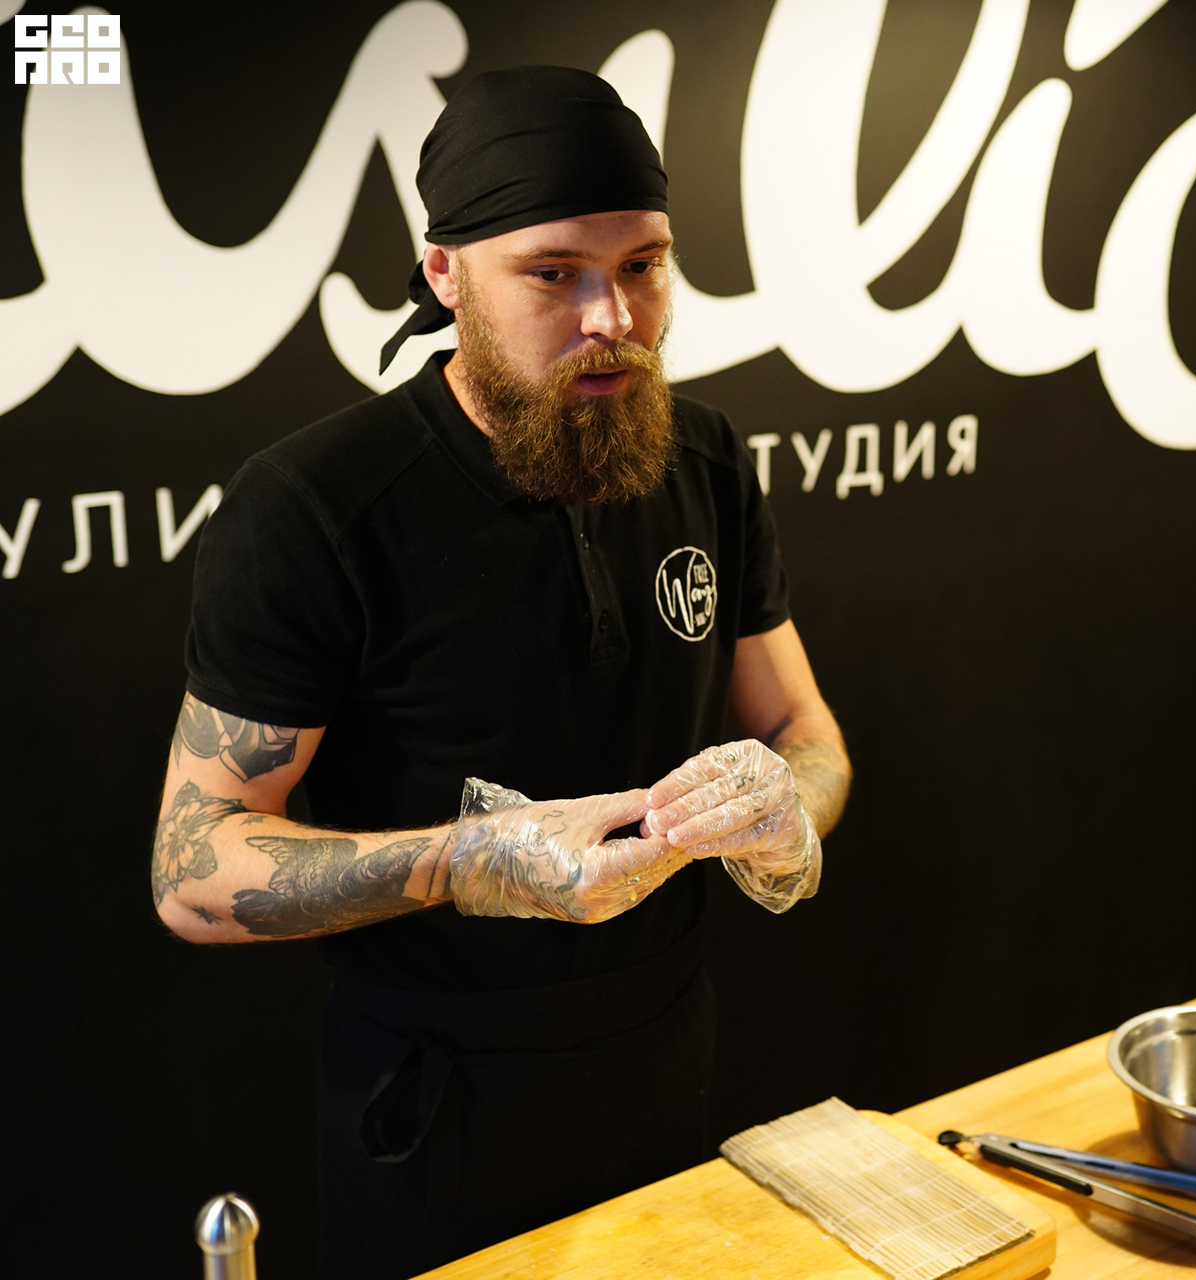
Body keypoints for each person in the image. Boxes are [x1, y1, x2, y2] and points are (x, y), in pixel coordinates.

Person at [148, 67, 851, 1279]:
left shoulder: (705, 457)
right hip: (441, 1105)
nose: (612, 318)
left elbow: (802, 722)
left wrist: (792, 809)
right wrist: (471, 861)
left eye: (642, 265)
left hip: (665, 1055)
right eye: (553, 273)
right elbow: (190, 865)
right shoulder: (315, 507)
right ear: (445, 275)